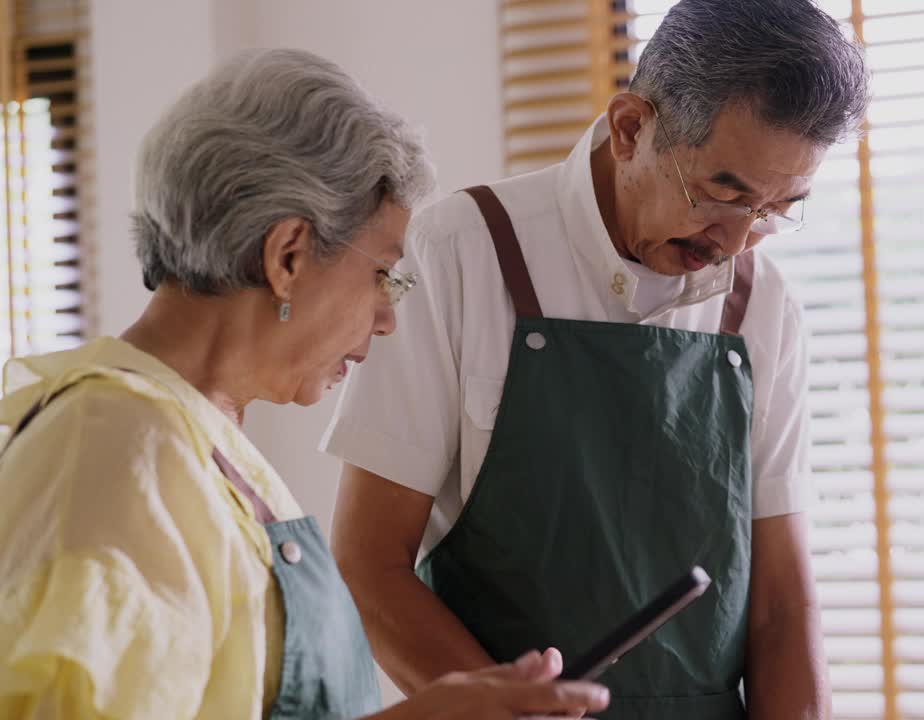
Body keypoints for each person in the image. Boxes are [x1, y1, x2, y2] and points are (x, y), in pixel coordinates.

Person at [0, 48, 608, 720]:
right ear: (288, 255)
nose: (385, 320)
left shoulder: (192, 437)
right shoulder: (120, 452)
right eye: (384, 274)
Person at [323, 1, 870, 718]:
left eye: (774, 210)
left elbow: (779, 606)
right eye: (721, 192)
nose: (736, 241)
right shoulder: (462, 252)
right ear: (631, 127)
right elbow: (370, 566)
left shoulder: (763, 304)